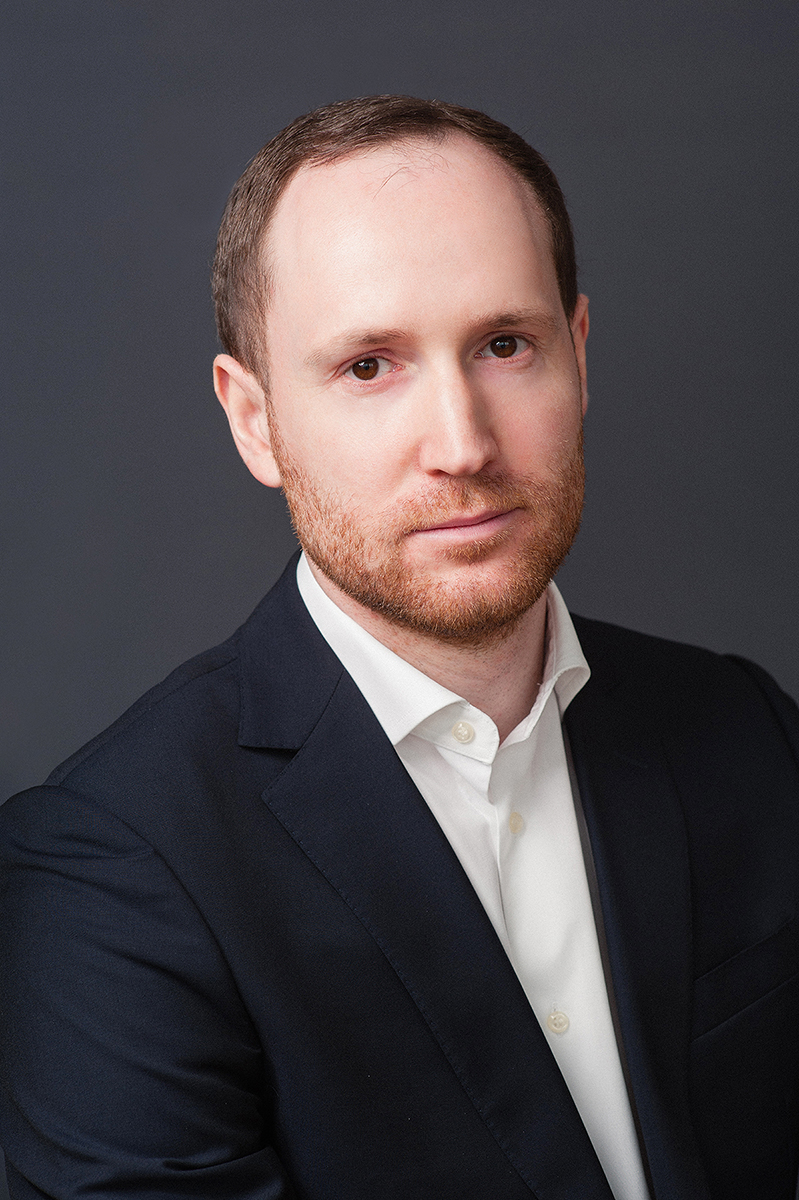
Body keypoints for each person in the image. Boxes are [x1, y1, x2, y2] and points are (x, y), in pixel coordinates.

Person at [1, 95, 798, 1200]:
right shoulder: (108, 877)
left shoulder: (746, 729)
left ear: (577, 356)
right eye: (369, 367)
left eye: (504, 345)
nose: (462, 445)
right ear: (253, 420)